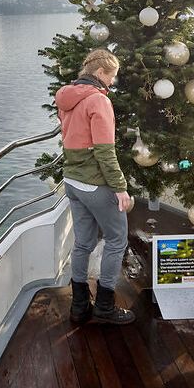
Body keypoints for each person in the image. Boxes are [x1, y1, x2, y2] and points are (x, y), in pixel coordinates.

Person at [55, 48, 135, 325]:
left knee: (83, 243)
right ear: (100, 73)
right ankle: (104, 306)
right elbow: (105, 152)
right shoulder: (99, 102)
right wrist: (120, 188)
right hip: (94, 184)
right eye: (111, 76)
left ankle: (79, 307)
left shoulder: (66, 97)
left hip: (72, 181)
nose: (112, 82)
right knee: (116, 240)